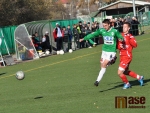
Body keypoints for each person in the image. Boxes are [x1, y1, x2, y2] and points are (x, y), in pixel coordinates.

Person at [79, 19, 124, 87]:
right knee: (102, 65)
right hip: (104, 51)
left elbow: (120, 37)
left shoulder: (114, 31)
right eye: (103, 26)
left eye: (105, 25)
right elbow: (92, 34)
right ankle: (110, 62)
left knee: (104, 64)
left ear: (109, 24)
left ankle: (97, 81)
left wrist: (121, 39)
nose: (104, 27)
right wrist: (84, 38)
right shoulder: (102, 31)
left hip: (111, 51)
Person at [117, 22, 144, 89]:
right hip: (122, 56)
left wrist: (128, 38)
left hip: (127, 56)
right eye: (123, 27)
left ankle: (127, 84)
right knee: (125, 71)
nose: (124, 28)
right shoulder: (120, 35)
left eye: (125, 27)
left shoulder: (130, 36)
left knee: (120, 72)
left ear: (128, 28)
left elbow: (135, 45)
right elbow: (118, 46)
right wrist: (120, 46)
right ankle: (139, 77)